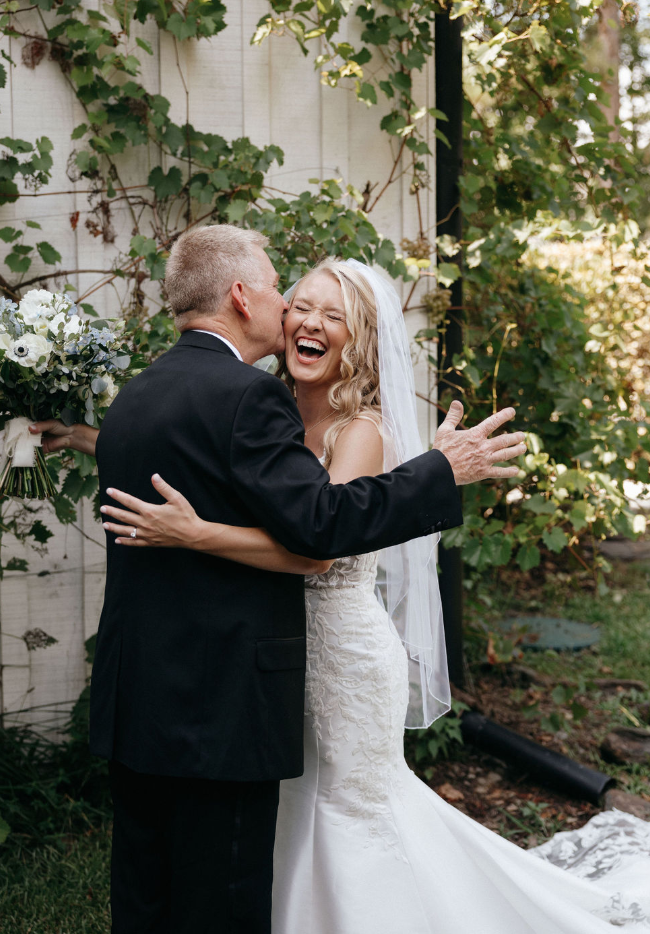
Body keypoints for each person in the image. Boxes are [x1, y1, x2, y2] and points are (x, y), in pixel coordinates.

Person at [94, 257, 650, 933]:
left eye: (336, 316)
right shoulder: (262, 411)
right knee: (291, 823)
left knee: (350, 816)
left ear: (360, 339)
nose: (311, 322)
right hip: (268, 664)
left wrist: (196, 533)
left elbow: (318, 549)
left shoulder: (359, 430)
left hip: (343, 663)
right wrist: (89, 438)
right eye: (302, 305)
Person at [32, 226, 525, 934]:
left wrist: (116, 461)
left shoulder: (140, 397)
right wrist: (442, 470)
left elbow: (302, 531)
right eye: (283, 292)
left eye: (327, 311)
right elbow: (322, 524)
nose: (294, 310)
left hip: (157, 692)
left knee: (149, 893)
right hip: (228, 698)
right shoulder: (253, 402)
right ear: (242, 296)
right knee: (222, 897)